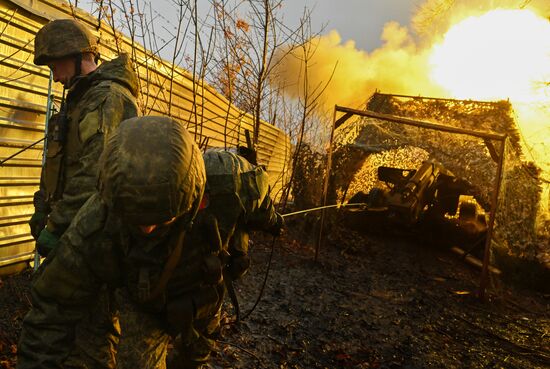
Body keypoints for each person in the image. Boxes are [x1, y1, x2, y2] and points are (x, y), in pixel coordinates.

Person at [17, 116, 207, 369]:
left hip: (157, 295)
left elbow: (210, 303)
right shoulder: (95, 224)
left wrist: (193, 351)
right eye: (135, 219)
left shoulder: (204, 222)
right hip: (107, 269)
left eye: (160, 219)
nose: (147, 229)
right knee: (87, 353)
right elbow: (50, 314)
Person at [28, 18, 139, 256]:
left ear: (72, 56)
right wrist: (42, 206)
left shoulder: (106, 98)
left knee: (46, 293)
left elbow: (94, 172)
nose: (55, 77)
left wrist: (56, 225)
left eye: (53, 67)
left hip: (94, 234)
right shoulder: (81, 100)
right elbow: (61, 162)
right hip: (75, 225)